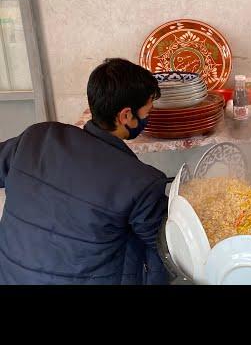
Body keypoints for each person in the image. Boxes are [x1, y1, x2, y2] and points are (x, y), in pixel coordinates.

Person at [0, 58, 169, 284]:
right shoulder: (141, 181)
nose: (148, 118)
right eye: (148, 111)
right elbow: (164, 249)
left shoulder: (37, 136)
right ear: (126, 116)